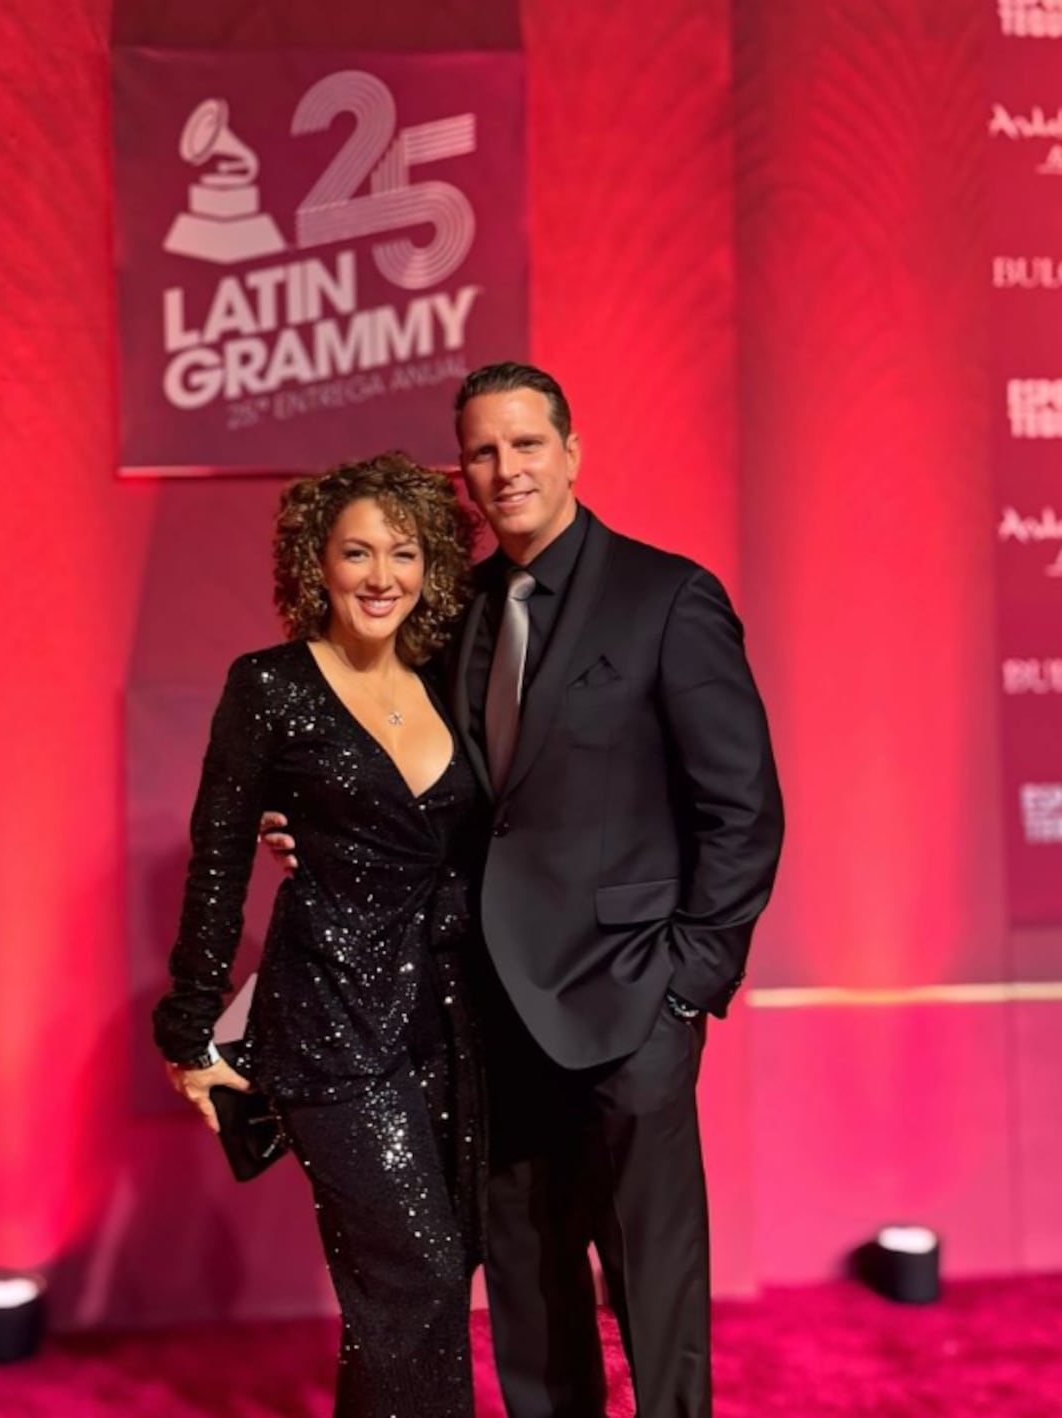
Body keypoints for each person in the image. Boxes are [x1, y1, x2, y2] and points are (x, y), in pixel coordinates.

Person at [265, 363, 784, 1418]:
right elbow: (442, 801)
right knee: (525, 1275)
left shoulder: (667, 597)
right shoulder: (454, 617)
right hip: (493, 1010)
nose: (505, 469)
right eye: (483, 452)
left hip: (630, 1000)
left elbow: (744, 806)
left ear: (572, 451)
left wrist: (688, 981)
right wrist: (321, 831)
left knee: (652, 1277)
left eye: (526, 444)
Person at [153, 452, 486, 1418]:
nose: (382, 575)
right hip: (330, 1025)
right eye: (357, 552)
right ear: (316, 564)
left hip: (449, 1025)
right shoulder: (267, 686)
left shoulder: (448, 677)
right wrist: (188, 1031)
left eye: (405, 552)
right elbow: (216, 859)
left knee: (416, 1282)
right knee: (415, 1272)